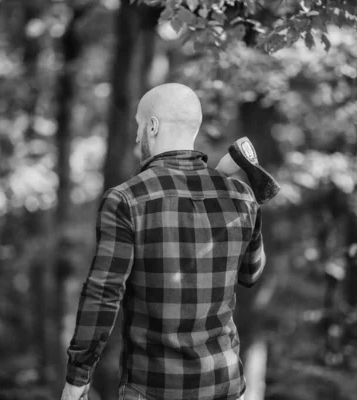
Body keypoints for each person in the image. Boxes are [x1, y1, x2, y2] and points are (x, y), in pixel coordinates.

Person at [61, 83, 265, 400]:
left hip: (152, 388)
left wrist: (77, 378)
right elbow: (251, 273)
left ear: (153, 126)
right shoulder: (241, 196)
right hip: (223, 385)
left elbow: (103, 295)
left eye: (139, 126)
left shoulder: (127, 199)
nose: (137, 137)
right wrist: (245, 199)